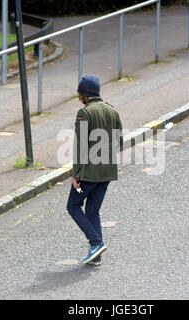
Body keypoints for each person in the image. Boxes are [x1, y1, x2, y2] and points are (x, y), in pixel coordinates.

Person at [66, 74, 123, 266]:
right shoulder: (112, 111)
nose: (78, 96)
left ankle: (96, 243)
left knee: (73, 205)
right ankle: (96, 255)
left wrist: (76, 174)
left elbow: (81, 146)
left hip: (88, 175)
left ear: (85, 94)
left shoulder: (85, 113)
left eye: (79, 92)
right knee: (92, 210)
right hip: (106, 173)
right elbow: (118, 141)